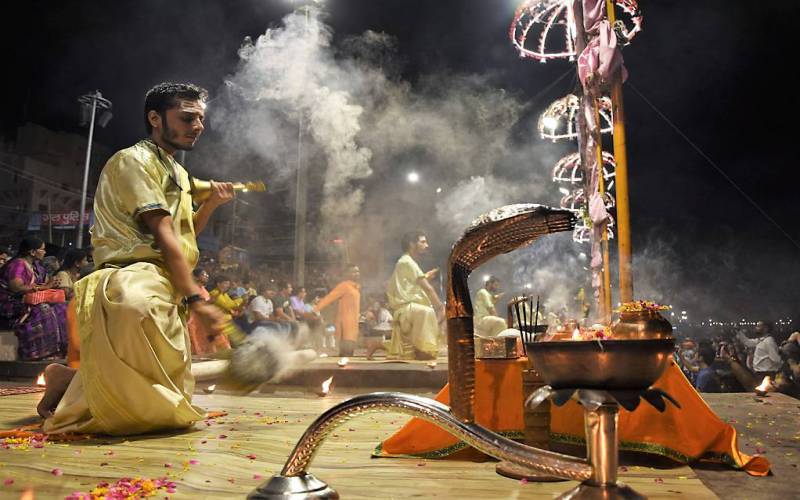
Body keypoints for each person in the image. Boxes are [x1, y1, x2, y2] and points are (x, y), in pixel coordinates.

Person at [41, 82, 234, 433]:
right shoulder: (133, 160)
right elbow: (163, 236)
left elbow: (184, 231)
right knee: (137, 304)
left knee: (151, 397)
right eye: (188, 117)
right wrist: (196, 299)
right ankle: (72, 385)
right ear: (155, 118)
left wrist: (211, 203)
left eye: (201, 119)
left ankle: (67, 381)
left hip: (164, 277)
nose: (198, 126)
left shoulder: (178, 172)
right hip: (131, 272)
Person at [0, 237, 67, 361]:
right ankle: (40, 353)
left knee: (62, 308)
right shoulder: (18, 264)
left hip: (30, 300)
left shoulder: (36, 266)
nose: (45, 252)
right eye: (42, 249)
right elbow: (16, 287)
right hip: (12, 304)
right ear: (32, 252)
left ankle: (60, 350)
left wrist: (52, 284)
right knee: (44, 309)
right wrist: (45, 287)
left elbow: (43, 284)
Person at [385, 231, 442, 360]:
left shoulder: (407, 261)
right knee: (427, 312)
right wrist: (440, 307)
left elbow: (409, 284)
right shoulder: (407, 262)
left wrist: (426, 276)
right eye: (422, 242)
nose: (426, 245)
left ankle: (378, 344)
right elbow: (428, 288)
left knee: (427, 312)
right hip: (406, 308)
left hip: (408, 307)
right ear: (412, 244)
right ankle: (423, 350)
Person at [313, 265, 361, 357]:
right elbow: (330, 298)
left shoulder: (356, 288)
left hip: (354, 324)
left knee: (350, 351)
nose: (356, 274)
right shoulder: (344, 286)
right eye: (353, 272)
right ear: (347, 274)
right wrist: (315, 309)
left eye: (357, 271)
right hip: (345, 324)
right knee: (346, 351)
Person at [187, 268, 230, 356]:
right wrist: (212, 300)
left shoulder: (204, 289)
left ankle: (215, 351)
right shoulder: (193, 288)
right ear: (196, 277)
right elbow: (198, 303)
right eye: (204, 274)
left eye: (207, 274)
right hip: (196, 317)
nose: (207, 276)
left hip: (204, 316)